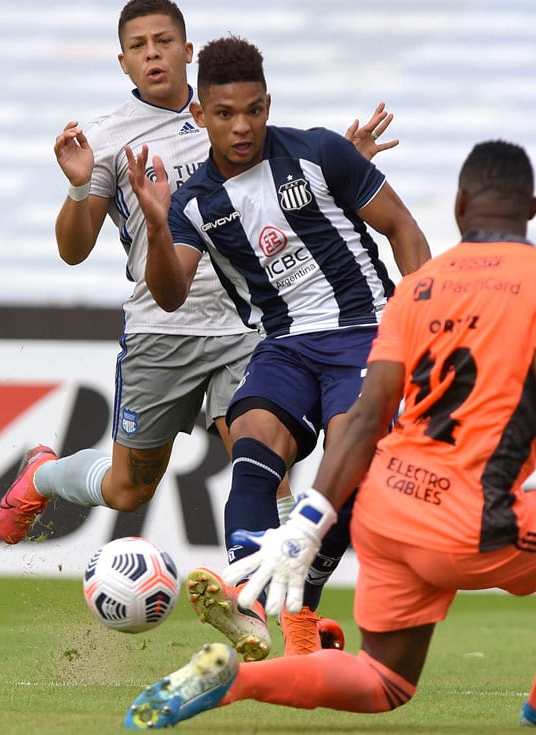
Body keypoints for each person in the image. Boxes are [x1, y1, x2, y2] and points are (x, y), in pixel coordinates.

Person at [121, 140, 536, 729]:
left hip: (388, 508)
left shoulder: (418, 289)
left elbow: (370, 416)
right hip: (468, 519)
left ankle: (233, 681)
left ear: (459, 205)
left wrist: (307, 521)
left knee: (382, 680)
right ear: (532, 207)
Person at [0, 0, 396, 654]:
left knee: (266, 463)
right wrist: (75, 190)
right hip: (163, 326)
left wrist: (344, 166)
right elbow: (72, 248)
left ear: (188, 50)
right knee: (130, 484)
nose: (152, 53)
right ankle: (43, 475)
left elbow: (290, 181)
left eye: (163, 41)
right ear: (122, 60)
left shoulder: (227, 116)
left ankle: (277, 619)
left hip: (248, 323)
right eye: (138, 45)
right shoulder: (105, 136)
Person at [125, 36, 431, 661]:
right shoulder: (192, 204)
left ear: (268, 103)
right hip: (285, 345)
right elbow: (171, 291)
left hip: (364, 334)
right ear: (200, 115)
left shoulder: (321, 153)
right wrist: (156, 226)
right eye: (225, 114)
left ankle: (304, 600)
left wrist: (417, 327)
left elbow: (404, 229)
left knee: (353, 468)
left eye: (254, 110)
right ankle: (248, 601)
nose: (242, 127)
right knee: (253, 439)